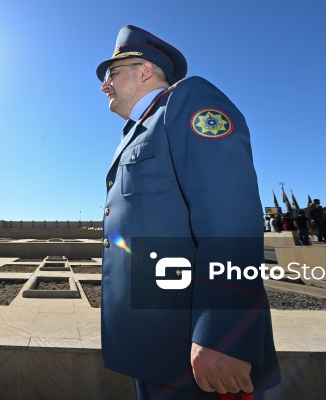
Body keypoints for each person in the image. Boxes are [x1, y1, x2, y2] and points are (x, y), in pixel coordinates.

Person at [97, 25, 280, 399]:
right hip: (154, 343)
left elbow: (230, 219)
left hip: (197, 346)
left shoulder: (187, 101)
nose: (104, 85)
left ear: (144, 70)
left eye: (112, 73)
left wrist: (223, 334)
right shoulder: (139, 129)